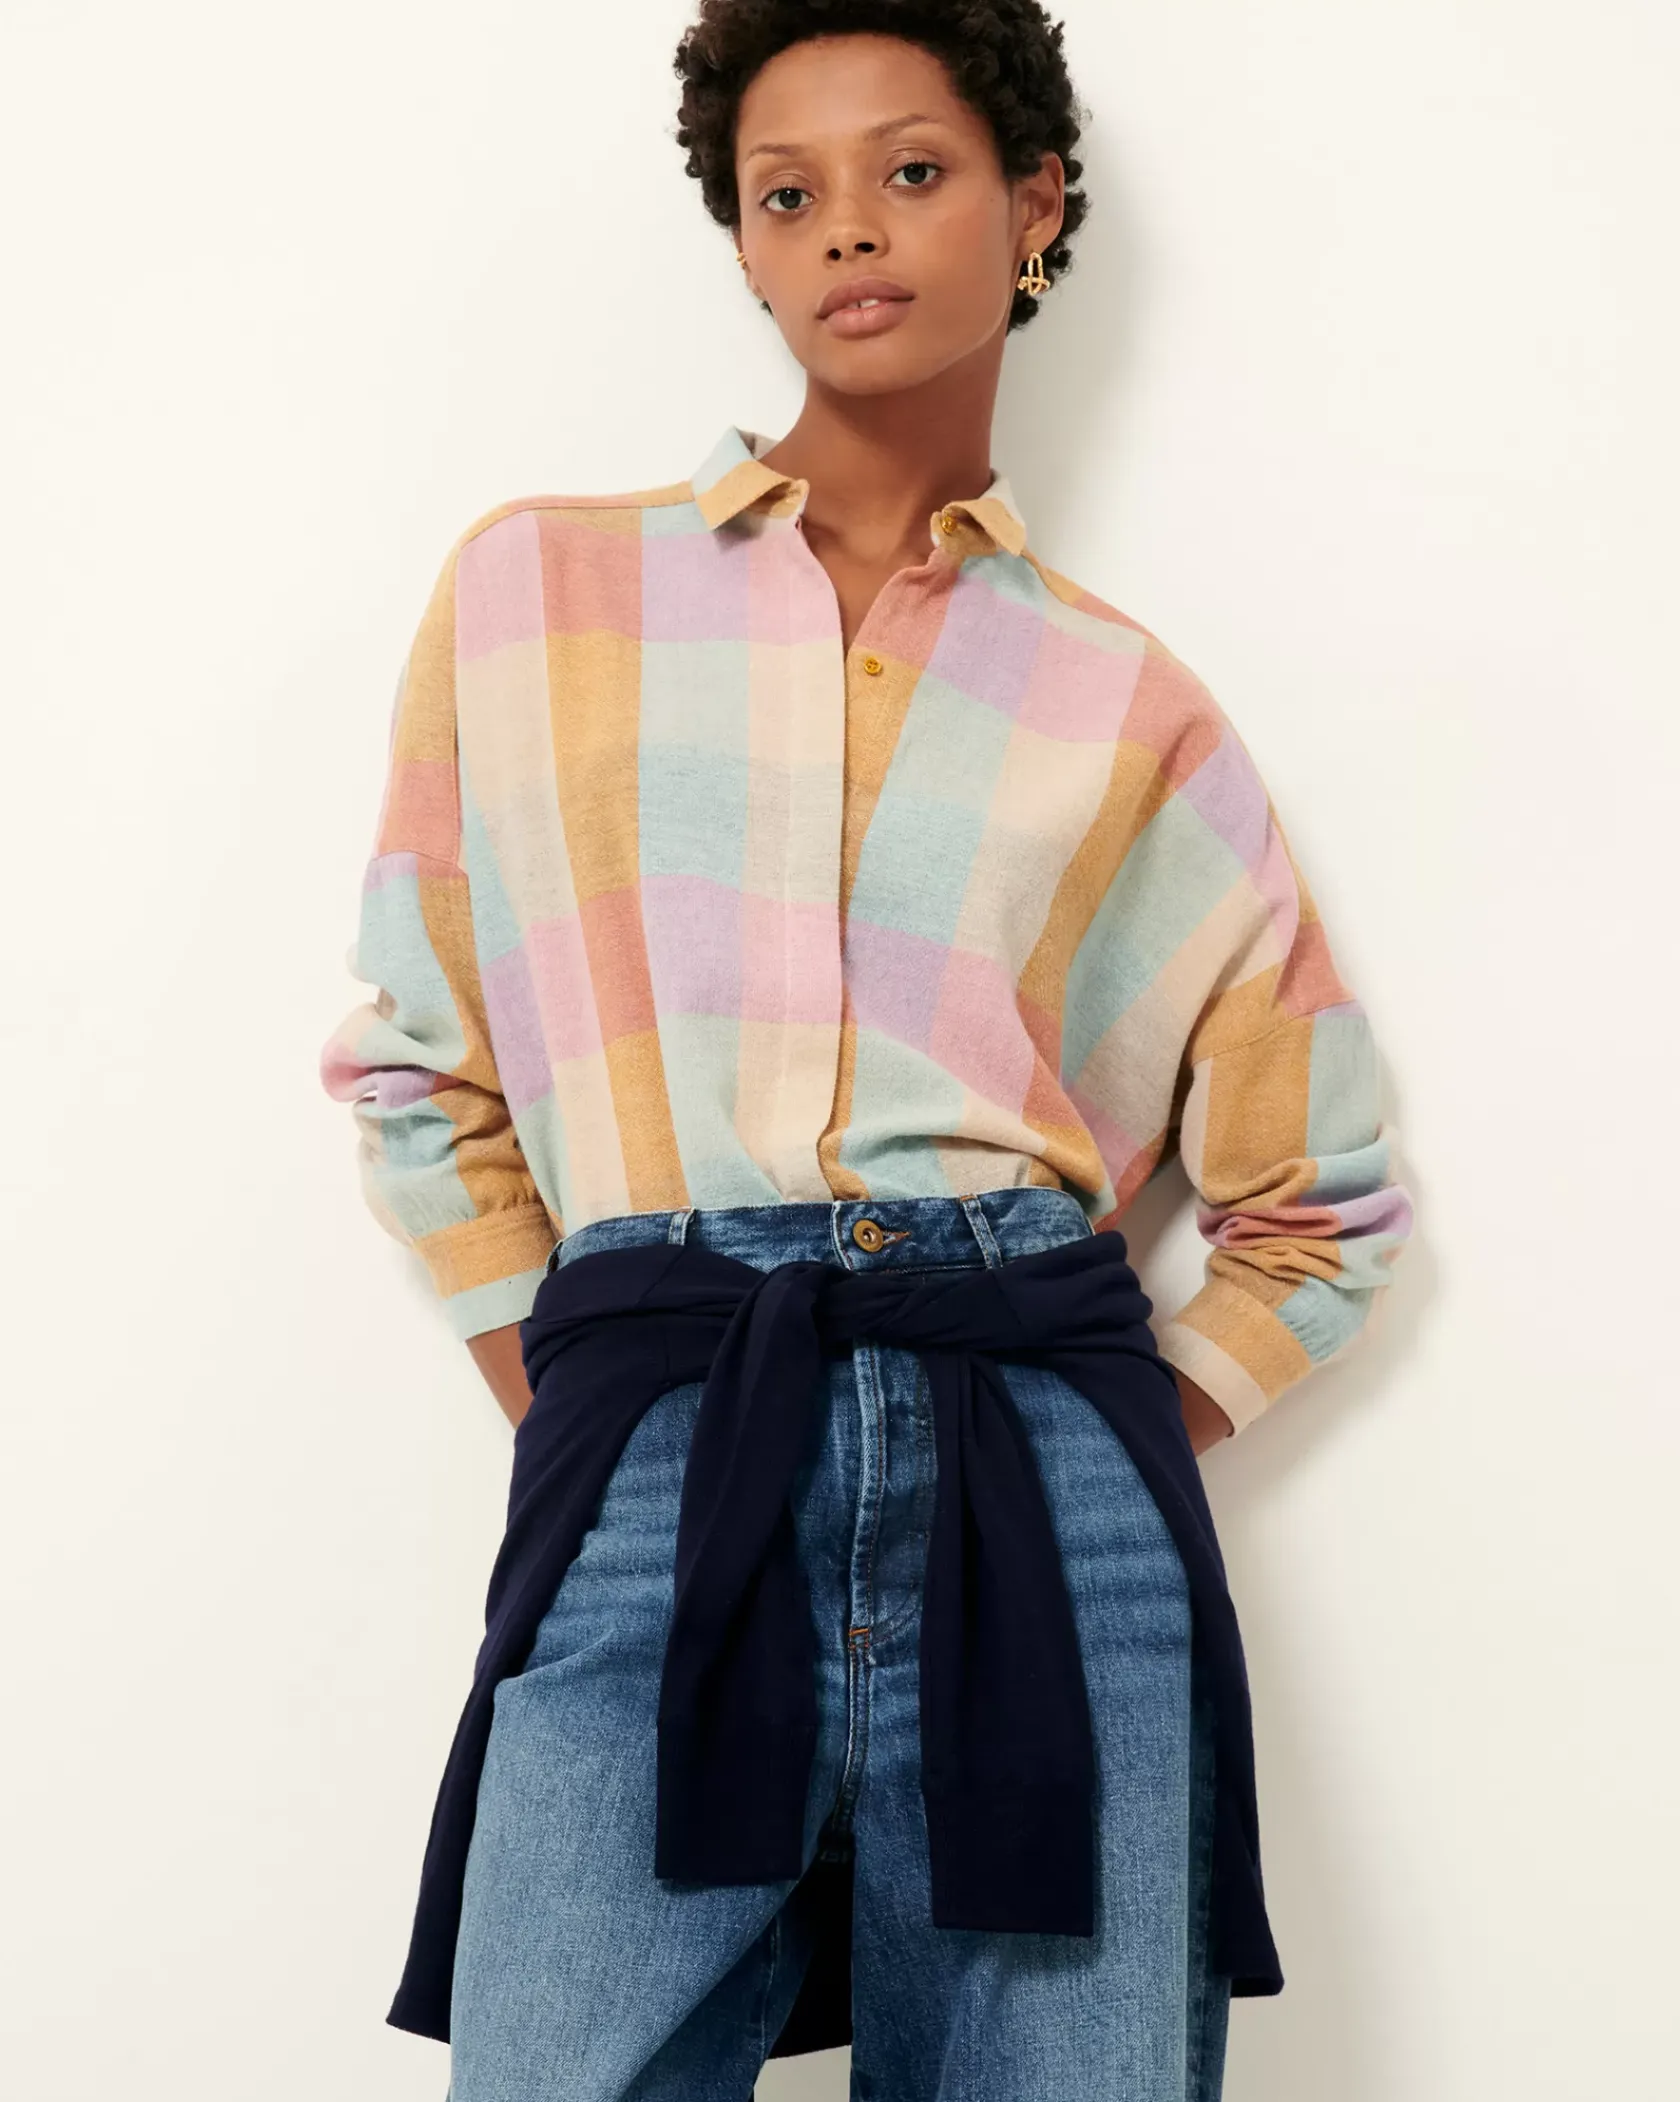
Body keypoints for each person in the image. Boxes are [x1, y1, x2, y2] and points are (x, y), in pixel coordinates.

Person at [318, 5, 1413, 2096]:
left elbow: (1321, 1201)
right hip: (670, 1440)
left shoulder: (1129, 706)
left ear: (1035, 204)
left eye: (913, 171)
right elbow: (421, 1069)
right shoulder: (538, 592)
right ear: (743, 246)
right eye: (785, 192)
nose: (848, 229)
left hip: (1039, 1492)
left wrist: (1104, 1439)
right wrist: (591, 1404)